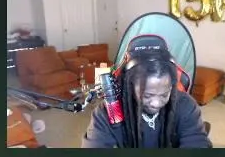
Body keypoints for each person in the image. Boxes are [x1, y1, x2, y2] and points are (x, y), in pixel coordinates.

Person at [82, 56, 212, 148]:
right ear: (130, 86)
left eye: (164, 94)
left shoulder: (186, 105)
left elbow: (196, 145)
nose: (156, 103)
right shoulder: (107, 112)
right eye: (148, 95)